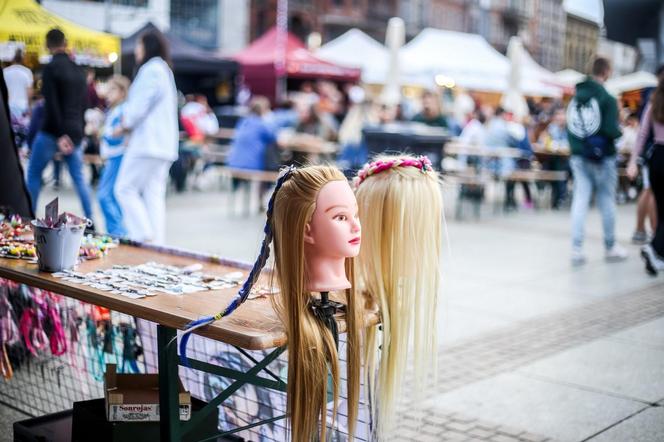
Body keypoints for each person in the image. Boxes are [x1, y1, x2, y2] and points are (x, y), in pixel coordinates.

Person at [114, 30, 178, 244]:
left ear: (147, 47)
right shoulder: (163, 70)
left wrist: (124, 125)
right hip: (163, 145)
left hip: (148, 143)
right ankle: (156, 244)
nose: (137, 51)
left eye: (139, 46)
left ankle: (142, 236)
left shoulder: (151, 70)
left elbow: (137, 107)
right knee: (153, 194)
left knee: (124, 188)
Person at [26, 29, 93, 220]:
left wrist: (61, 134)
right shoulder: (79, 71)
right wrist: (76, 133)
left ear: (48, 45)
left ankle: (27, 217)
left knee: (33, 174)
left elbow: (51, 105)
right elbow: (84, 106)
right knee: (79, 178)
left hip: (53, 131)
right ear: (65, 42)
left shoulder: (51, 68)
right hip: (75, 132)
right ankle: (90, 219)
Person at [566, 57, 627, 266]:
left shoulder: (575, 98)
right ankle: (610, 246)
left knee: (580, 200)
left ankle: (576, 248)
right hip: (603, 157)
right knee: (606, 200)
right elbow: (611, 129)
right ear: (607, 71)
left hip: (578, 155)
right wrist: (620, 130)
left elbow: (571, 127)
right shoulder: (607, 99)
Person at [628, 71, 664, 275]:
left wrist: (633, 162)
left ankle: (658, 254)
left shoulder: (654, 102)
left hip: (656, 158)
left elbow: (642, 135)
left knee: (661, 208)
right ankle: (653, 249)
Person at [97, 75, 130, 237]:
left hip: (117, 156)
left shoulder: (123, 110)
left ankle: (118, 233)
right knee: (111, 195)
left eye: (113, 90)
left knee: (105, 196)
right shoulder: (115, 110)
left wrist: (105, 135)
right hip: (113, 157)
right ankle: (117, 232)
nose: (108, 94)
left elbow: (118, 135)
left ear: (122, 92)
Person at [226, 96, 277, 171]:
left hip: (233, 163)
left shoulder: (243, 121)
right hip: (251, 167)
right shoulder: (262, 125)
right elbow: (274, 138)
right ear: (264, 110)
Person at [538, 108, 570, 209]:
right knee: (551, 167)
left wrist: (559, 146)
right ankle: (559, 196)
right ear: (555, 118)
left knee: (562, 167)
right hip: (551, 159)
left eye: (563, 115)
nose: (561, 118)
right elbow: (542, 142)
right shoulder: (551, 128)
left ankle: (560, 196)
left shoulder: (569, 130)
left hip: (566, 160)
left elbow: (570, 146)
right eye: (559, 115)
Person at [3, 49, 33, 121]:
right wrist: (29, 107)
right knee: (22, 130)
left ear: (12, 59)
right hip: (23, 106)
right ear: (22, 59)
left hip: (8, 106)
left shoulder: (5, 72)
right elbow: (29, 92)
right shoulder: (27, 72)